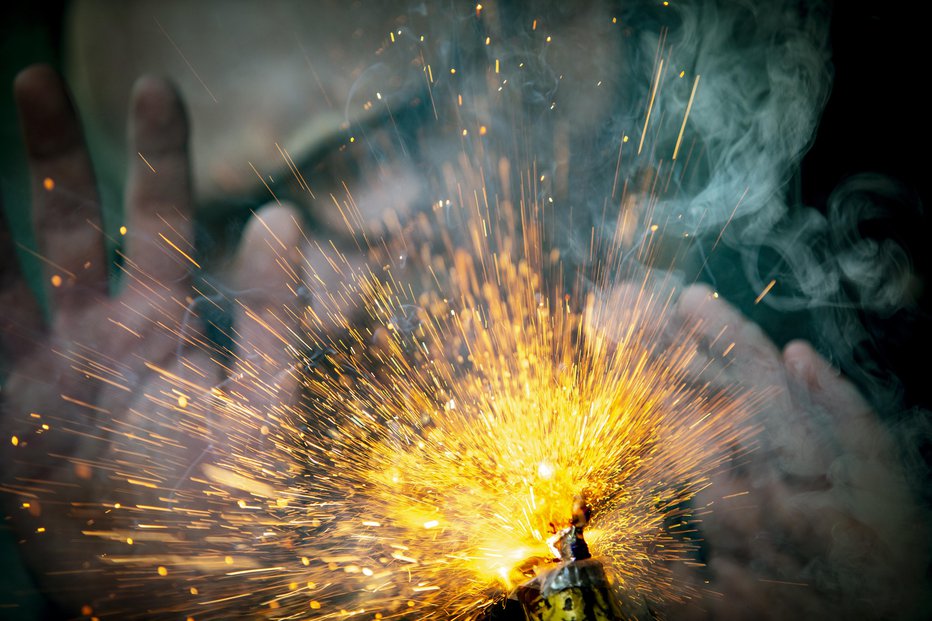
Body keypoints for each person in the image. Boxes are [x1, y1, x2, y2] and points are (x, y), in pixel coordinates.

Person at [1, 2, 929, 619]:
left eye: (347, 162)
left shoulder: (891, 355)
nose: (298, 292)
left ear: (559, 56)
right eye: (218, 233)